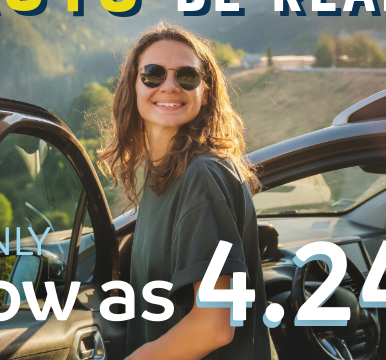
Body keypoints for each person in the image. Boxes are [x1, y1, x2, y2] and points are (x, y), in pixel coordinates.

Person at [98, 22, 273, 360]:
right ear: (132, 86)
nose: (170, 86)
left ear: (204, 92)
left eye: (187, 77)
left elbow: (215, 324)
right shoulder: (163, 176)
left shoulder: (202, 176)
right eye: (152, 74)